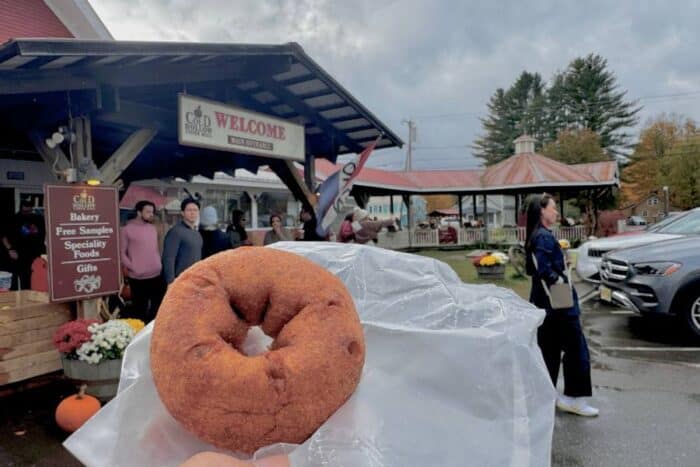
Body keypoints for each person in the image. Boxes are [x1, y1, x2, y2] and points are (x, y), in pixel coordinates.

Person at [525, 193, 599, 417]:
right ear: (542, 211)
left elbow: (533, 268)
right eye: (553, 208)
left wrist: (559, 264)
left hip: (544, 301)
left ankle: (547, 396)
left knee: (549, 349)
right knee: (576, 349)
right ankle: (575, 399)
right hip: (558, 300)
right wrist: (559, 278)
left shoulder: (536, 236)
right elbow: (543, 269)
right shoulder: (544, 237)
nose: (556, 212)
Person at [120, 200, 166, 323]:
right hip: (138, 278)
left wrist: (159, 264)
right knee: (140, 310)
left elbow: (155, 249)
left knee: (158, 309)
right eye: (148, 212)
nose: (151, 214)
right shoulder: (126, 230)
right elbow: (121, 253)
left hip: (156, 274)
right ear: (139, 212)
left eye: (152, 212)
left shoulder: (152, 228)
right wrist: (134, 267)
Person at [1, 199, 45, 290]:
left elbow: (44, 234)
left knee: (32, 281)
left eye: (29, 208)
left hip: (35, 256)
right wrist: (10, 250)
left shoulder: (38, 219)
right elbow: (3, 236)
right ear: (21, 207)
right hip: (18, 255)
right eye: (25, 208)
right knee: (15, 282)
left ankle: (30, 300)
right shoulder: (13, 219)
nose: (27, 211)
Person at [162, 198, 203, 285]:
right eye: (189, 210)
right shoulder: (175, 232)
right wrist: (170, 282)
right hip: (179, 281)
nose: (192, 213)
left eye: (195, 210)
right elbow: (168, 259)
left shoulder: (197, 233)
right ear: (182, 213)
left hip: (194, 279)